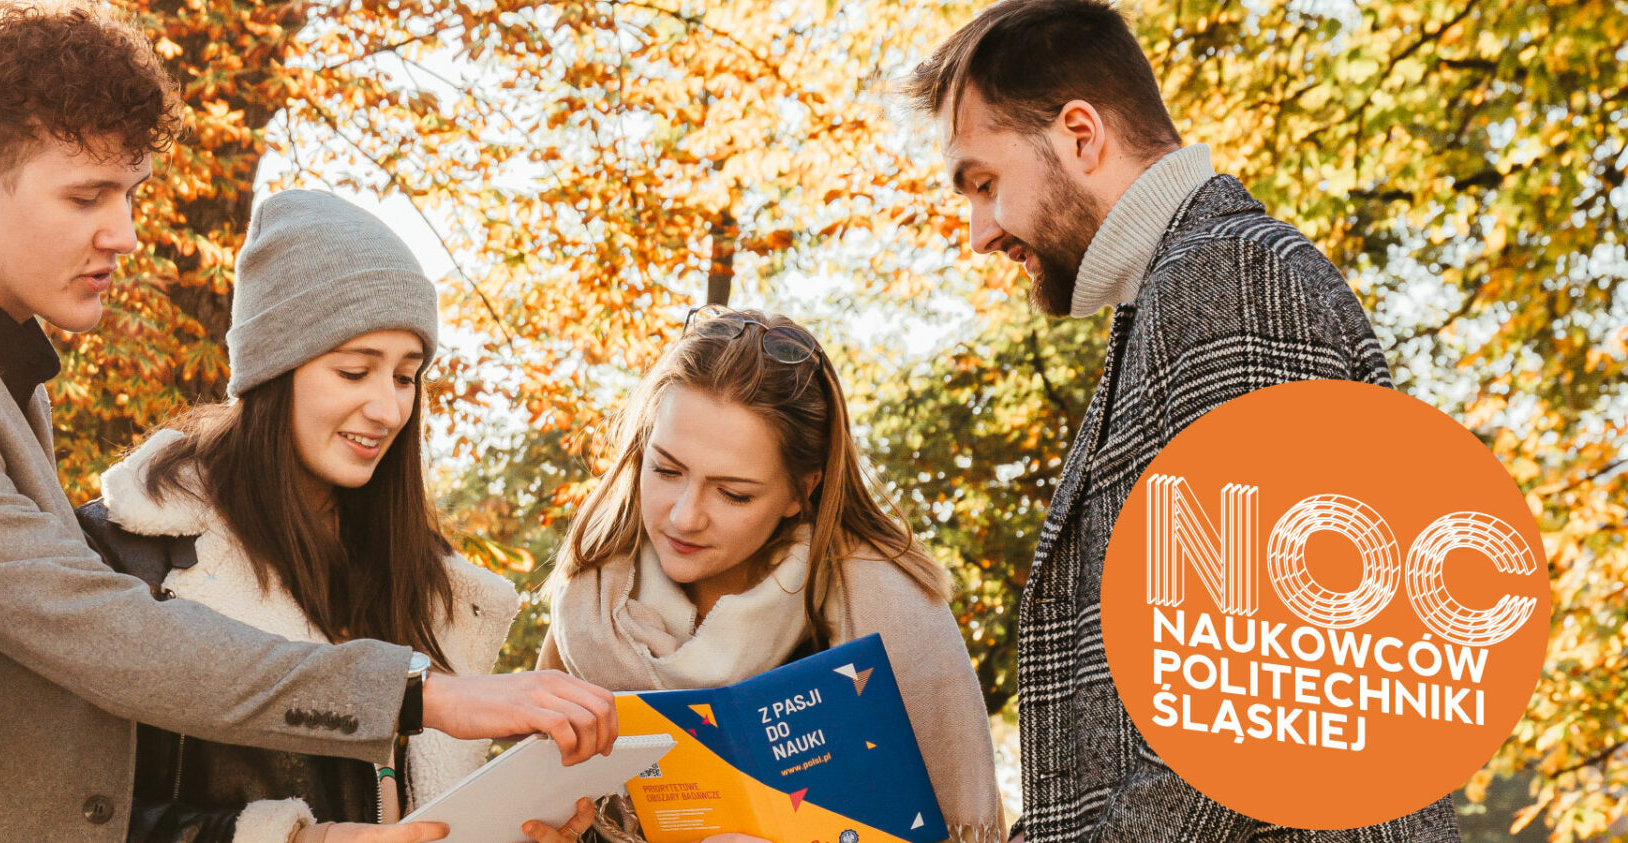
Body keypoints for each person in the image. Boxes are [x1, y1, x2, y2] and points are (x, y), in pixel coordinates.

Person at [0, 5, 619, 842]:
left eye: (129, 195)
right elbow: (88, 623)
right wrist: (422, 692)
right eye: (87, 195)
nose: (125, 234)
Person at [899, 1, 1458, 839]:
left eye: (985, 183)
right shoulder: (1174, 293)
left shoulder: (1228, 278)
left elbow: (1268, 691)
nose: (980, 232)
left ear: (1081, 136)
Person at [76, 190, 598, 843]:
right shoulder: (120, 559)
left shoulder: (433, 589)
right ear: (273, 370)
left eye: (407, 376)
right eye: (355, 371)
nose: (388, 409)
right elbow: (60, 812)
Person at [539, 307, 1004, 843]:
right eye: (666, 469)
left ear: (799, 491)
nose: (685, 516)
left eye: (733, 492)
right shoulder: (587, 612)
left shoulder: (896, 618)